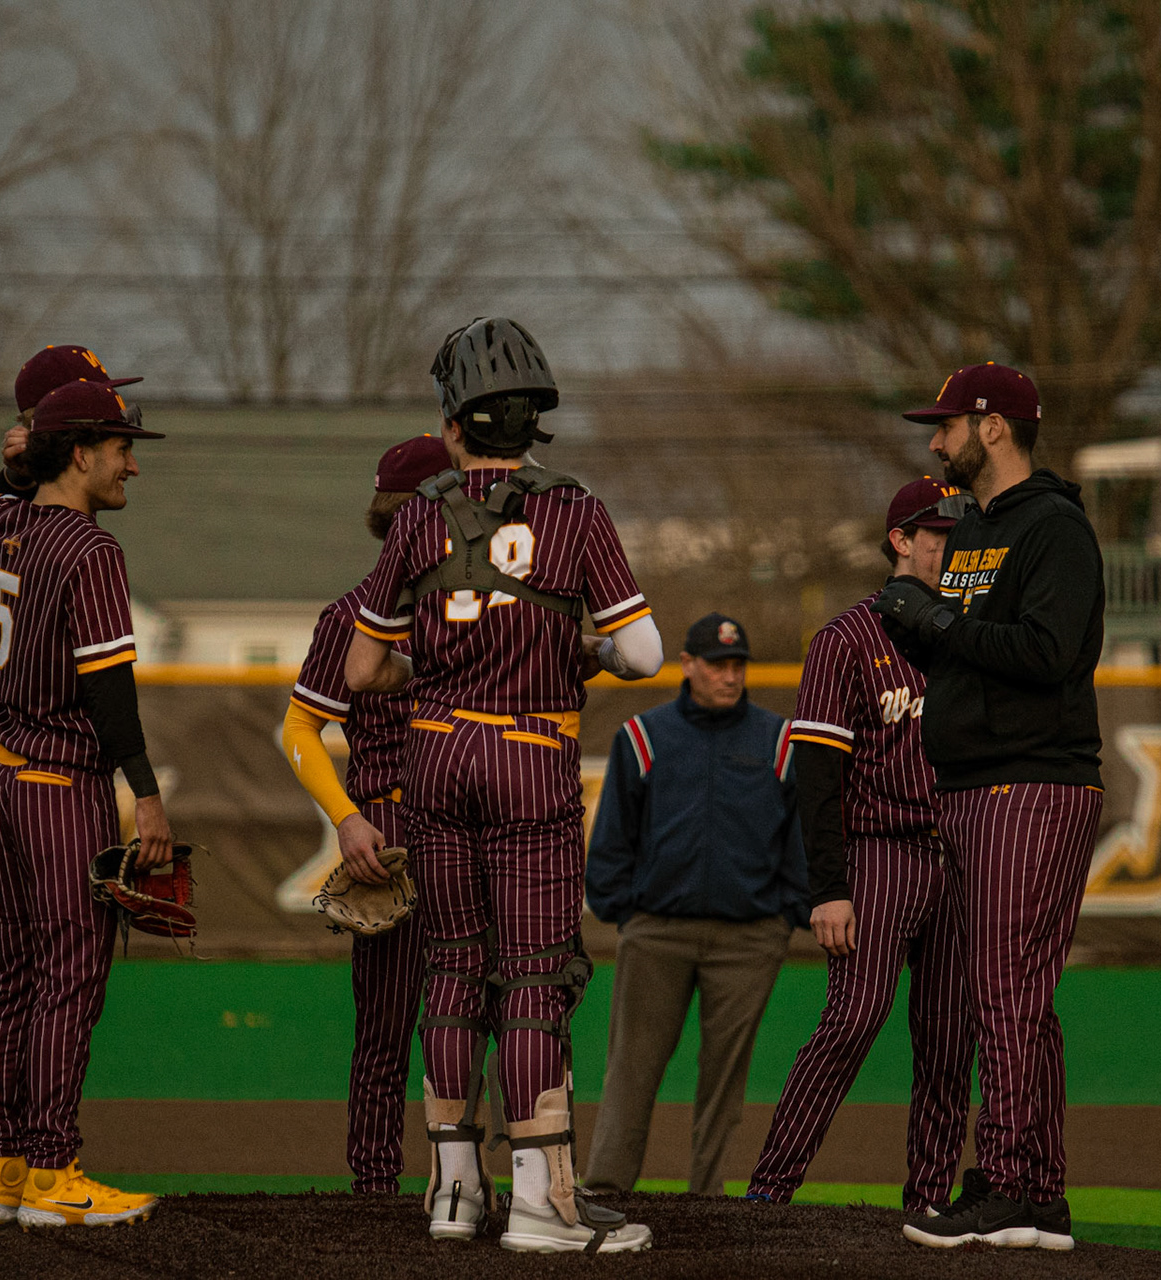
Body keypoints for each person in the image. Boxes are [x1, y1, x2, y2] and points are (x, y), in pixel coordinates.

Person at [344, 317, 662, 1253]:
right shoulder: (576, 512)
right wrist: (583, 649)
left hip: (435, 757)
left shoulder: (417, 516)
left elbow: (363, 670)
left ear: (454, 425)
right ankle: (540, 1204)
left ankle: (454, 1193)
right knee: (531, 976)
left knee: (450, 968)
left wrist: (437, 670)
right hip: (529, 756)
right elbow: (644, 652)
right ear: (536, 420)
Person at [876, 363, 1106, 1252]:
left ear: (994, 427)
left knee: (1005, 992)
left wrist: (936, 621)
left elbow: (1047, 653)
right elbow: (967, 658)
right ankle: (1037, 1193)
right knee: (1016, 999)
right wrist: (917, 626)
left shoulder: (1054, 527)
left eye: (947, 425)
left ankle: (1008, 1184)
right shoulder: (973, 529)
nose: (936, 441)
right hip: (975, 782)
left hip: (1032, 781)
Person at [0, 377, 174, 1229]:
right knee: (71, 974)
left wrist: (16, 467)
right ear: (79, 454)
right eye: (120, 449)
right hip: (58, 779)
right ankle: (51, 1173)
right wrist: (146, 796)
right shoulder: (90, 551)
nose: (131, 465)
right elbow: (109, 689)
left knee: (6, 972)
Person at [744, 478, 976, 1214]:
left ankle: (928, 1202)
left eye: (958, 536)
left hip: (959, 856)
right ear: (901, 540)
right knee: (852, 1020)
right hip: (882, 851)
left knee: (950, 1040)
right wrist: (828, 888)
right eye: (938, 536)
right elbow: (816, 777)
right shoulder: (845, 639)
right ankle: (771, 1188)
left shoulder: (971, 633)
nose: (951, 549)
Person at [582, 612, 804, 1197]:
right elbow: (612, 840)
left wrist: (784, 916)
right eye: (717, 664)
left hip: (749, 938)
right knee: (632, 1069)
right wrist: (628, 913)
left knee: (725, 1081)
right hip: (658, 932)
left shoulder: (778, 739)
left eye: (738, 665)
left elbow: (799, 839)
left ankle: (709, 1201)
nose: (730, 676)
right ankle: (605, 1193)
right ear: (687, 664)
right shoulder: (644, 735)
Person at [280, 433, 450, 1194]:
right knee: (386, 1027)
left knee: (476, 1021)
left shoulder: (479, 607)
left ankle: (465, 1182)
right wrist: (347, 817)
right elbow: (300, 727)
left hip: (477, 824)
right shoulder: (352, 613)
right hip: (391, 826)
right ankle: (375, 1190)